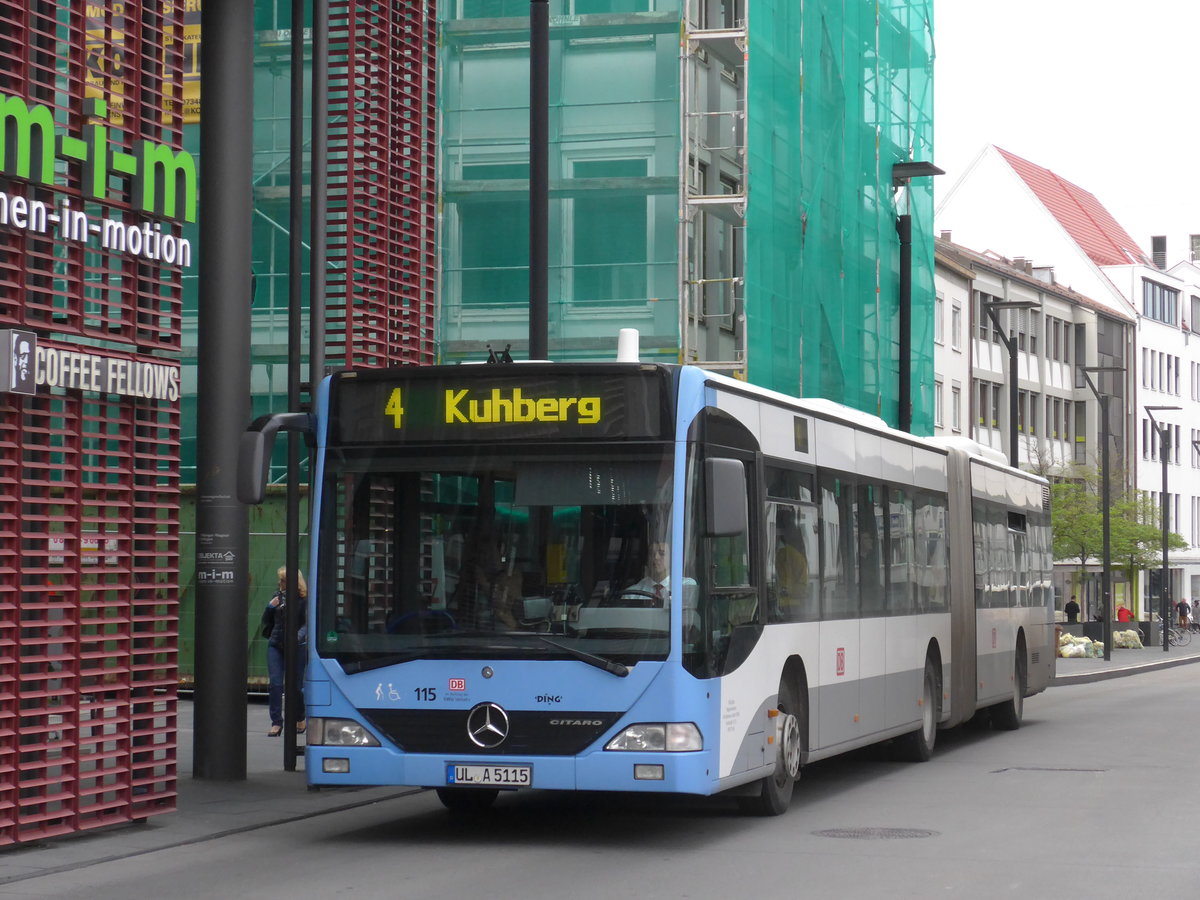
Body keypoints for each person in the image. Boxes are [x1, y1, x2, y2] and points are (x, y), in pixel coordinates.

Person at [261, 567, 307, 737]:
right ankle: (276, 722)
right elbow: (266, 621)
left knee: (295, 686)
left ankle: (300, 717)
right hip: (276, 644)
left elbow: (307, 623)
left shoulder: (303, 600)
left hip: (296, 646)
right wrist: (269, 607)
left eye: (283, 580)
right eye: (280, 580)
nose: (280, 584)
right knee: (275, 684)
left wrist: (298, 636)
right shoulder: (277, 596)